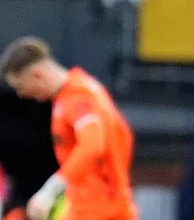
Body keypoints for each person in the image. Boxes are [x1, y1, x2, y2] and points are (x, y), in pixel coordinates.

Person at [0, 37, 137, 220]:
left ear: (37, 75)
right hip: (93, 206)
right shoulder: (78, 90)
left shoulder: (77, 97)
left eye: (20, 86)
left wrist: (50, 190)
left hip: (101, 210)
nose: (20, 94)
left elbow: (92, 145)